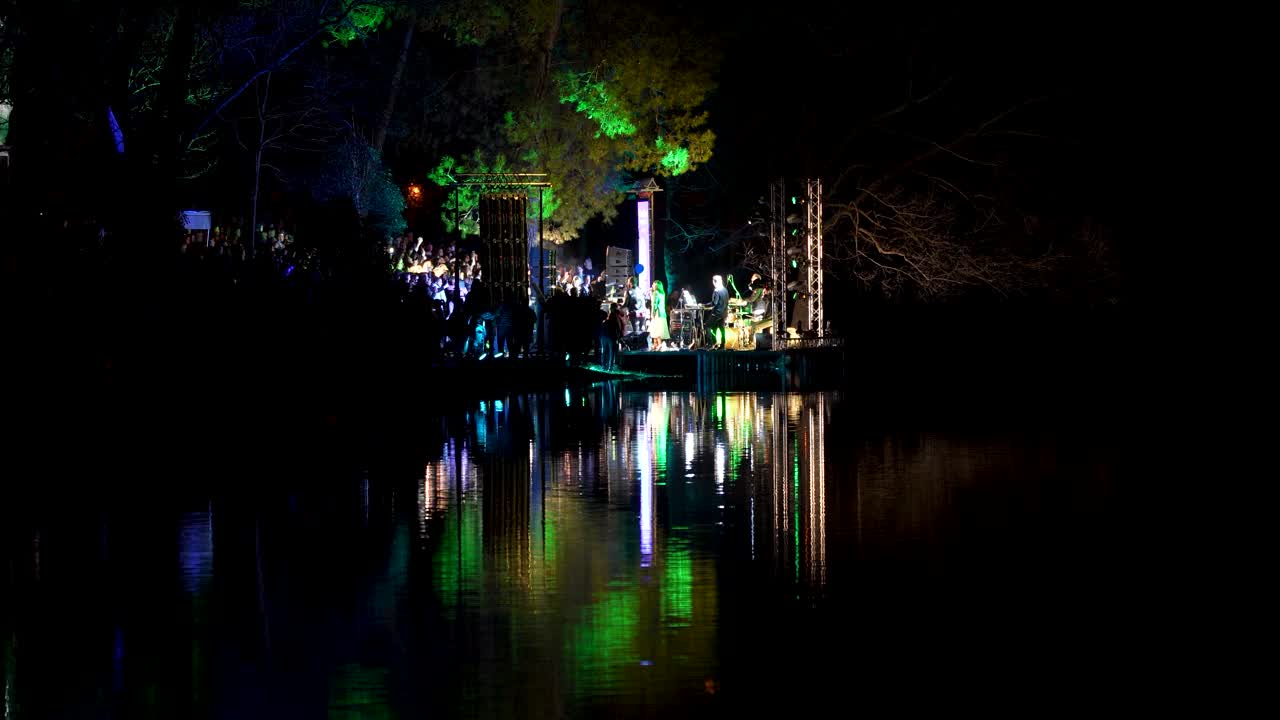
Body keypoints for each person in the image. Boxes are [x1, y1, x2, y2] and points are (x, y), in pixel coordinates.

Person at [707, 274, 728, 349]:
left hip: (717, 313)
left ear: (714, 282)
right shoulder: (725, 290)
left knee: (708, 326)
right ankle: (722, 345)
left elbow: (714, 303)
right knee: (721, 329)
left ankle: (710, 344)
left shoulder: (717, 290)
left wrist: (704, 305)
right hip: (724, 313)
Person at [648, 280, 670, 351]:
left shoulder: (656, 293)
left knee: (655, 330)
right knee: (658, 330)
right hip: (662, 313)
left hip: (657, 313)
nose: (652, 286)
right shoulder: (662, 293)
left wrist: (652, 313)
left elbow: (654, 304)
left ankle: (658, 344)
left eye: (653, 284)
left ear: (656, 286)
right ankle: (656, 345)